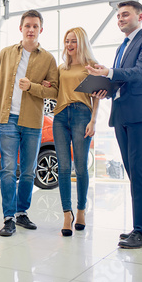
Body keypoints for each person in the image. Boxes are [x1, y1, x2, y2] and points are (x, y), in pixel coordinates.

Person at [0, 9, 58, 236]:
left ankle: (22, 213)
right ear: (20, 28)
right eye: (27, 25)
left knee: (29, 172)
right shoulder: (6, 53)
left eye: (35, 26)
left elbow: (56, 91)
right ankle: (9, 217)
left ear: (41, 30)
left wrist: (32, 86)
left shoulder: (49, 59)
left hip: (32, 121)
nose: (31, 29)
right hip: (7, 119)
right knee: (9, 170)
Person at [86, 0, 142, 249]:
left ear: (140, 16)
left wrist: (109, 73)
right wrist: (103, 90)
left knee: (138, 170)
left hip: (140, 112)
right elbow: (119, 81)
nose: (120, 19)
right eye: (118, 16)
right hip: (122, 113)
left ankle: (141, 232)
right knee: (133, 171)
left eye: (125, 14)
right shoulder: (122, 47)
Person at [43, 27, 100, 237]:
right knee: (64, 167)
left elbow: (97, 96)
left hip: (82, 115)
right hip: (60, 116)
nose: (69, 45)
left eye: (73, 41)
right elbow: (56, 90)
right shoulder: (61, 67)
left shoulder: (92, 66)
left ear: (82, 42)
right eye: (67, 41)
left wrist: (93, 120)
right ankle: (67, 214)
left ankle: (81, 210)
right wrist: (49, 85)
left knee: (82, 166)